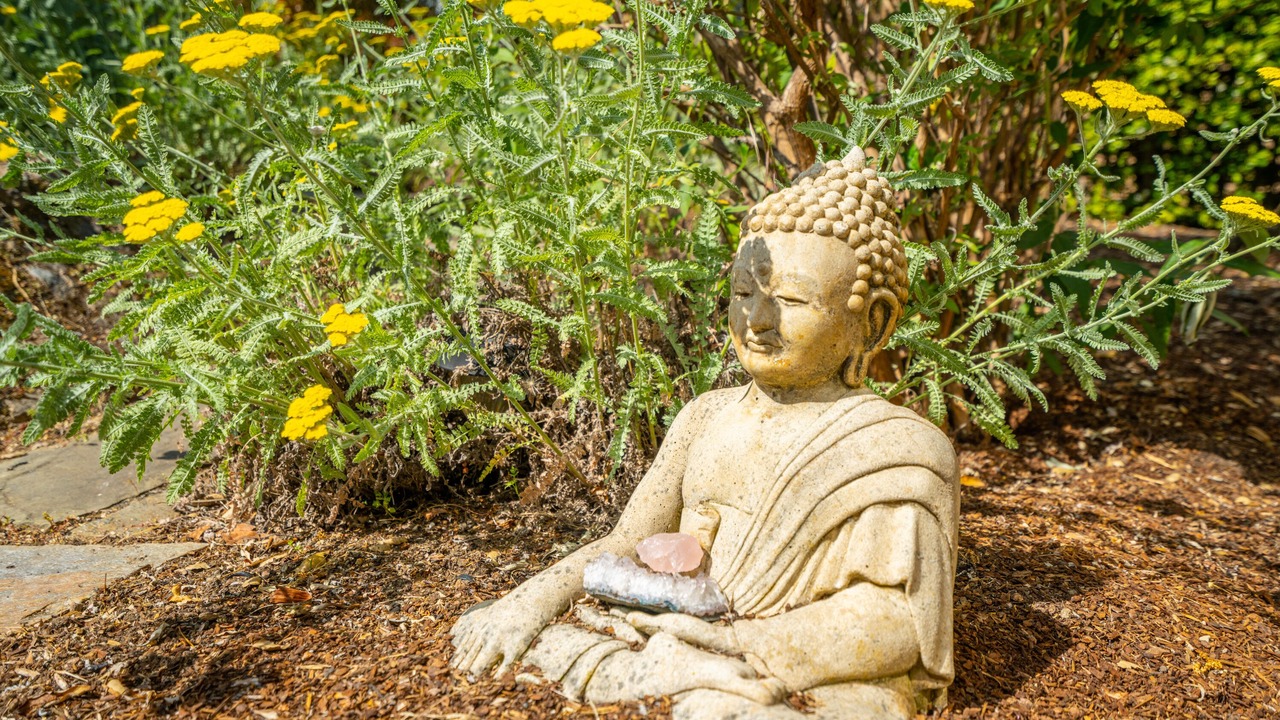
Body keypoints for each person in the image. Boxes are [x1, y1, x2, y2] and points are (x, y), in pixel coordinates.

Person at [451, 150, 959, 719]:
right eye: (744, 294)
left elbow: (897, 626)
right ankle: (682, 674)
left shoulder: (892, 449)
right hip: (678, 632)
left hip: (796, 661)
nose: (757, 321)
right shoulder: (704, 415)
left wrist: (736, 644)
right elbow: (625, 544)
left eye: (791, 299)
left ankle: (700, 680)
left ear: (874, 321)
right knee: (544, 643)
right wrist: (529, 601)